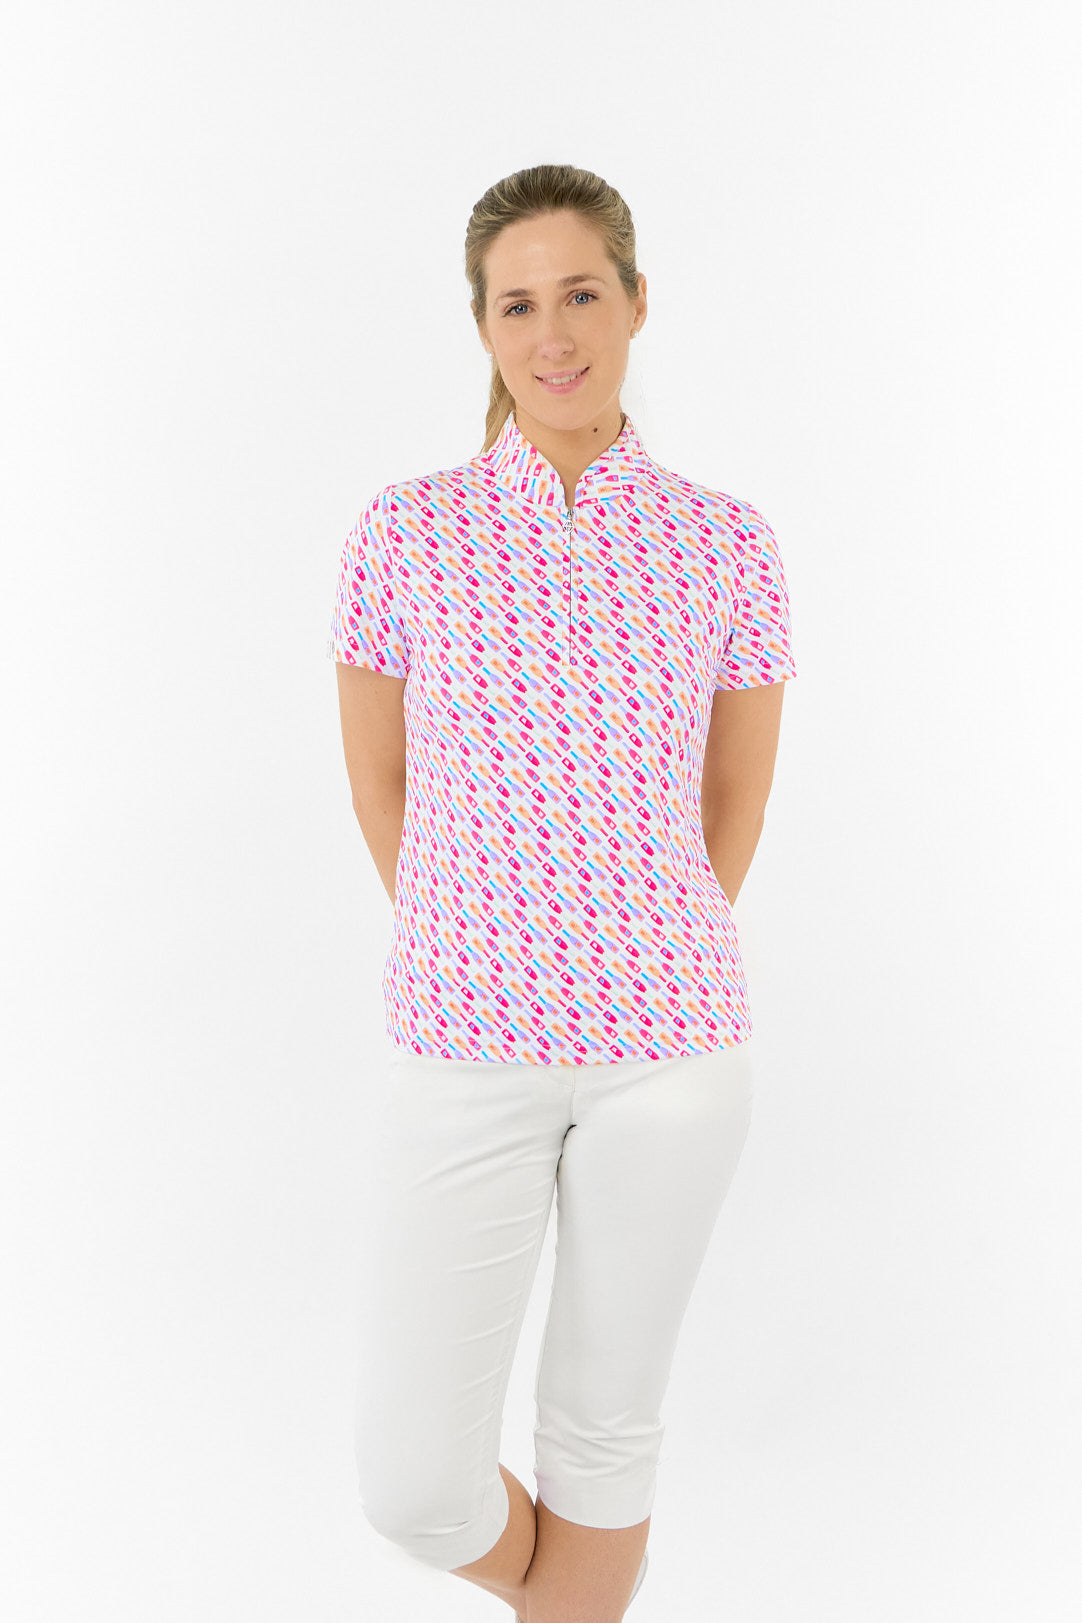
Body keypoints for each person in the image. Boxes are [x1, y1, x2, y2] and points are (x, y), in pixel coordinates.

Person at [328, 162, 797, 1623]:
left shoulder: (728, 541)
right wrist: (485, 939)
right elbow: (381, 785)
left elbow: (733, 799)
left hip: (669, 1053)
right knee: (414, 1485)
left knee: (603, 1431)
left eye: (581, 293)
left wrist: (637, 941)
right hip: (462, 1038)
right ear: (482, 326)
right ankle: (593, 1583)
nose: (554, 332)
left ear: (636, 303)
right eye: (517, 304)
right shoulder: (405, 532)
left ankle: (591, 1575)